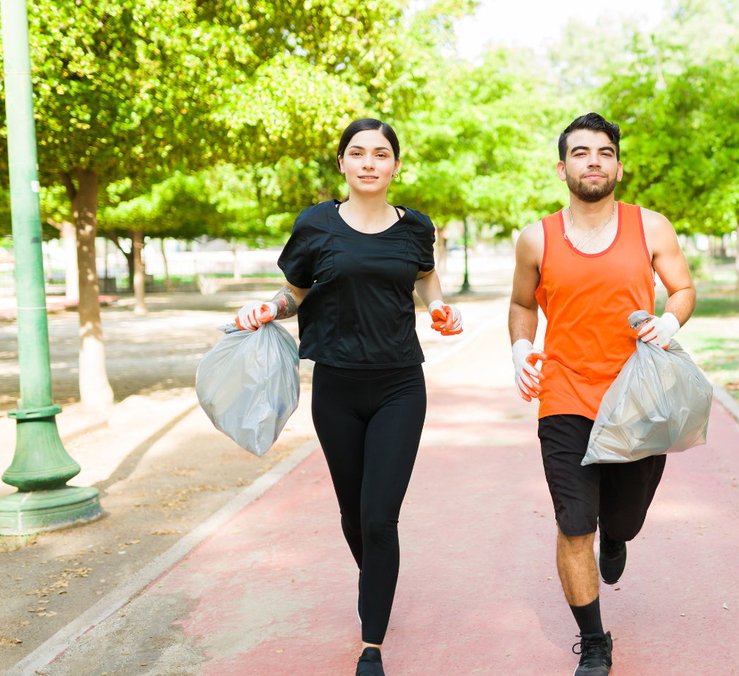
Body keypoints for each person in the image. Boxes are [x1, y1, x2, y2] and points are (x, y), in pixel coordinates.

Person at [232, 118, 462, 676]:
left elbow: (426, 278)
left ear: (395, 166)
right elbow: (295, 292)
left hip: (400, 385)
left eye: (380, 154)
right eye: (356, 153)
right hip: (335, 386)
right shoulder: (315, 224)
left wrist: (437, 306)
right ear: (342, 163)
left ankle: (372, 645)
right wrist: (270, 309)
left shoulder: (416, 227)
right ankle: (377, 576)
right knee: (354, 516)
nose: (367, 163)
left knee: (380, 516)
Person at [508, 112, 696, 676]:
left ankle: (618, 538)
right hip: (565, 395)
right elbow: (521, 304)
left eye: (605, 152)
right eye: (582, 152)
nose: (594, 160)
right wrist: (521, 349)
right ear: (561, 166)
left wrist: (669, 324)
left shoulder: (652, 227)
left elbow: (683, 288)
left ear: (618, 164)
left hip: (638, 397)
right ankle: (593, 642)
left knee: (624, 517)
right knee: (573, 524)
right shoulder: (536, 237)